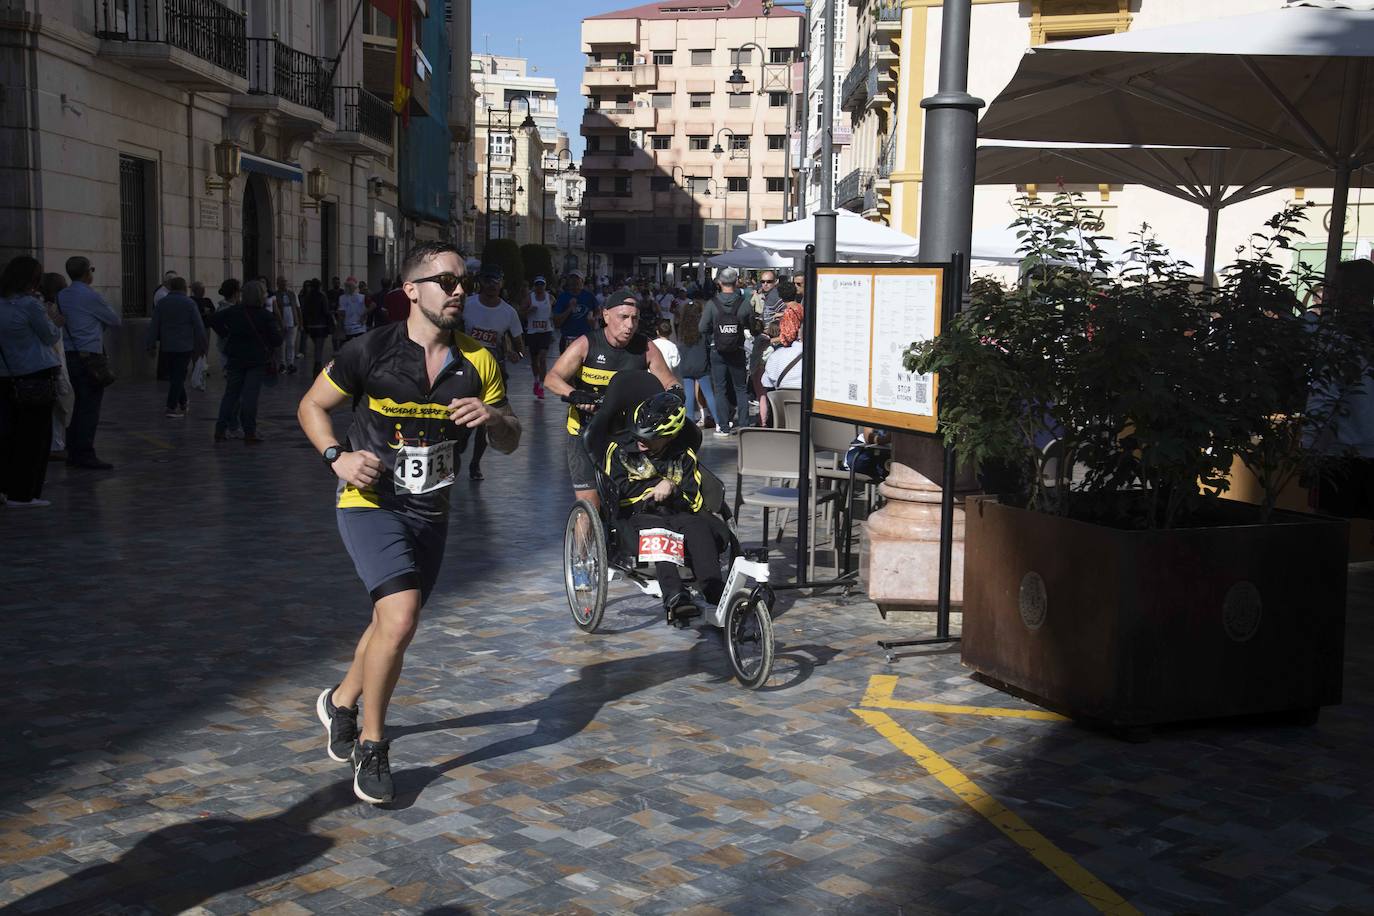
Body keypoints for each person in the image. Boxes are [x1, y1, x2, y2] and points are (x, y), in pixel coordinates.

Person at [298, 241, 521, 804]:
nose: (459, 291)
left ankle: (341, 701)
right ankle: (373, 746)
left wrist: (493, 417)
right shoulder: (369, 349)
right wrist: (337, 458)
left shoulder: (479, 362)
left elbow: (512, 439)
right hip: (370, 502)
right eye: (446, 282)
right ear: (412, 290)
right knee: (399, 619)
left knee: (389, 621)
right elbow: (311, 406)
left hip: (432, 509)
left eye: (462, 282)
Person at [544, 288, 677, 510]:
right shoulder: (586, 343)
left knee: (628, 502)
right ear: (606, 316)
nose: (629, 325)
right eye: (623, 317)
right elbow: (552, 378)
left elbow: (669, 381)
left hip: (623, 435)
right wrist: (574, 394)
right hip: (584, 432)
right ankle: (584, 540)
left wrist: (675, 394)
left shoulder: (646, 347)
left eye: (634, 319)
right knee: (590, 505)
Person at [603, 389, 725, 620]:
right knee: (659, 532)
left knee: (698, 527)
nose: (641, 441)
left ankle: (715, 591)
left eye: (649, 438)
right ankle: (675, 597)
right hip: (635, 513)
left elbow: (693, 498)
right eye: (639, 435)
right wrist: (654, 488)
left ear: (669, 437)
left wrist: (672, 487)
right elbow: (615, 489)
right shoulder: (618, 451)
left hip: (676, 510)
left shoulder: (684, 456)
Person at [0, 256, 62, 508]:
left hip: (6, 375)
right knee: (35, 437)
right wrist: (54, 321)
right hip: (35, 374)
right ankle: (24, 493)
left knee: (9, 434)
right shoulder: (30, 305)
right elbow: (49, 336)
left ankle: (5, 488)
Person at [57, 256, 120, 470]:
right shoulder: (91, 296)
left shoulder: (62, 295)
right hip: (89, 356)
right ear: (87, 273)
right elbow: (114, 320)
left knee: (78, 405)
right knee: (89, 407)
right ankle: (84, 452)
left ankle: (73, 450)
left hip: (69, 355)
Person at [209, 280, 280, 444]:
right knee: (250, 398)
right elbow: (277, 340)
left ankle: (220, 430)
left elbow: (213, 319)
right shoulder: (265, 315)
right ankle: (249, 432)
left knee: (230, 395)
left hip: (235, 358)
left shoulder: (234, 311)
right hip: (256, 361)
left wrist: (225, 333)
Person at [699, 266, 753, 436]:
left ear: (719, 282)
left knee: (720, 389)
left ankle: (723, 426)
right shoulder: (744, 304)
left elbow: (702, 328)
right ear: (736, 282)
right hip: (737, 350)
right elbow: (751, 325)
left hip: (717, 350)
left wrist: (714, 335)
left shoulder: (711, 304)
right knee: (741, 388)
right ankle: (744, 424)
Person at [145, 276, 207, 418]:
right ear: (184, 288)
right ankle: (171, 407)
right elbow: (199, 326)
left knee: (175, 375)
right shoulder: (189, 303)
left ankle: (183, 402)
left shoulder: (162, 303)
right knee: (178, 376)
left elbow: (154, 326)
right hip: (185, 346)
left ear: (171, 287)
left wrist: (151, 344)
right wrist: (203, 345)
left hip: (167, 345)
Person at [38, 273, 74, 461]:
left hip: (53, 361)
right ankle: (55, 445)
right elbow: (51, 338)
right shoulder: (47, 309)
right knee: (60, 404)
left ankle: (55, 443)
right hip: (52, 363)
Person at [676, 299, 716, 429]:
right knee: (709, 394)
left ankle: (689, 422)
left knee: (688, 395)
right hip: (701, 364)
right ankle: (720, 421)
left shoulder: (682, 329)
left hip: (686, 366)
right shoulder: (702, 328)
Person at [522, 275, 555, 399]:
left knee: (542, 358)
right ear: (534, 286)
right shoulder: (529, 298)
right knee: (534, 360)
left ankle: (541, 386)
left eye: (542, 284)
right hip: (532, 332)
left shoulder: (550, 298)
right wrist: (529, 310)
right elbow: (521, 314)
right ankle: (536, 380)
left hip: (546, 332)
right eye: (538, 285)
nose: (540, 287)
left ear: (545, 286)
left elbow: (555, 310)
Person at [552, 270, 598, 352]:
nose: (574, 281)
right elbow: (556, 322)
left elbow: (598, 311)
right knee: (567, 364)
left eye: (577, 279)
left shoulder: (589, 296)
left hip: (585, 338)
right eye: (572, 279)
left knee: (585, 364)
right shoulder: (563, 297)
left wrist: (594, 319)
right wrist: (570, 308)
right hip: (568, 338)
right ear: (568, 282)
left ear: (582, 281)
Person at [301, 278, 334, 377]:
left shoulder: (308, 297)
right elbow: (326, 311)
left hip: (311, 326)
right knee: (319, 348)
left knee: (316, 347)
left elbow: (304, 312)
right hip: (321, 325)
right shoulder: (321, 296)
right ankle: (317, 369)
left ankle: (317, 368)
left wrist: (306, 325)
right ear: (320, 286)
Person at [273, 276, 301, 374]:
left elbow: (298, 308)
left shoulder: (293, 294)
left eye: (285, 282)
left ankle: (290, 363)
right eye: (282, 283)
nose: (284, 284)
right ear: (278, 284)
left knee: (291, 344)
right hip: (280, 323)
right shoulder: (275, 295)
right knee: (281, 344)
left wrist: (300, 322)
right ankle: (282, 364)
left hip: (293, 321)